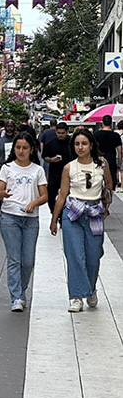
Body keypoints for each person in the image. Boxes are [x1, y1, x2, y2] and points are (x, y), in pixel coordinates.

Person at [50, 129, 113, 313]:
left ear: (91, 145)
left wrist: (106, 208)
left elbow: (109, 187)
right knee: (75, 255)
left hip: (94, 213)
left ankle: (91, 289)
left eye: (84, 143)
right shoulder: (69, 167)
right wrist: (55, 219)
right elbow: (62, 194)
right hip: (73, 214)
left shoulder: (101, 164)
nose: (80, 147)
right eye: (77, 144)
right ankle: (76, 296)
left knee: (93, 256)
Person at [0, 133, 48, 312]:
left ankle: (21, 290)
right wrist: (4, 194)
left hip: (31, 220)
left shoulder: (37, 170)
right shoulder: (7, 168)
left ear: (31, 149)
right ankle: (16, 296)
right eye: (18, 148)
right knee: (14, 259)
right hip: (10, 217)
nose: (21, 151)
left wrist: (34, 203)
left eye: (25, 148)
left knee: (28, 261)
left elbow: (45, 196)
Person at [42, 123, 72, 213]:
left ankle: (64, 214)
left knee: (68, 196)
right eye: (58, 133)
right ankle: (55, 212)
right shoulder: (51, 143)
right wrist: (51, 160)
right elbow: (45, 157)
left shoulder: (71, 143)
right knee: (51, 196)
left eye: (62, 133)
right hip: (54, 173)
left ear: (67, 132)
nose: (60, 135)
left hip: (69, 174)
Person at [93, 115, 121, 190]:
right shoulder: (116, 135)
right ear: (111, 123)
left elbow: (93, 148)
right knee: (111, 180)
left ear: (102, 123)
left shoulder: (96, 135)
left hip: (98, 159)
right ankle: (109, 196)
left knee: (98, 179)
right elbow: (119, 151)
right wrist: (119, 163)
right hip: (111, 160)